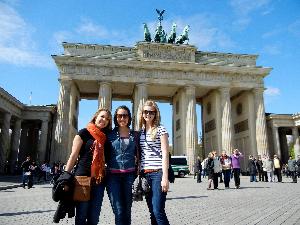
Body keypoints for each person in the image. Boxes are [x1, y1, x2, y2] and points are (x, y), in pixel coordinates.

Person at [64, 107, 112, 225]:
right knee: (81, 216)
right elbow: (73, 156)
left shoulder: (105, 138)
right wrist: (65, 176)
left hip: (99, 181)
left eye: (107, 119)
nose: (104, 120)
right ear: (96, 116)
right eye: (102, 116)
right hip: (82, 179)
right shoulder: (83, 133)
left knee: (94, 217)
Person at [105, 105, 139, 225]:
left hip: (130, 177)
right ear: (116, 118)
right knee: (118, 211)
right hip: (112, 177)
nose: (122, 118)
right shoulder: (109, 135)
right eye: (120, 116)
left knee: (127, 210)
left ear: (129, 118)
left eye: (125, 115)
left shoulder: (135, 135)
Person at [139, 100, 170, 225]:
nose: (148, 114)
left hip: (158, 173)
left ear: (156, 113)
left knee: (158, 210)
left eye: (151, 112)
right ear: (142, 113)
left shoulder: (161, 129)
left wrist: (165, 177)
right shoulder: (140, 132)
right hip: (145, 174)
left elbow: (165, 154)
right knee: (152, 211)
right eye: (146, 111)